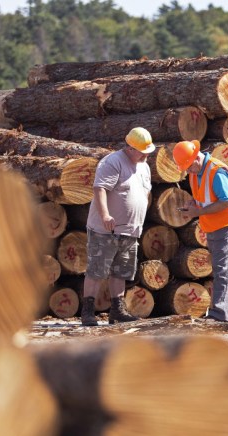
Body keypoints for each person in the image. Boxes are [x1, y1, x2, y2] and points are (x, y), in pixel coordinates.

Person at [81, 127, 155, 326]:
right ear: (130, 148)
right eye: (143, 151)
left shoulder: (144, 166)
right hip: (106, 228)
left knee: (120, 271)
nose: (146, 154)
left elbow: (145, 193)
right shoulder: (112, 162)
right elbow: (100, 189)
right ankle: (88, 311)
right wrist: (105, 214)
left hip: (130, 229)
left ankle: (117, 310)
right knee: (97, 270)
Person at [173, 140, 228, 322]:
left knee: (224, 269)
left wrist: (198, 212)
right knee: (223, 268)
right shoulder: (196, 172)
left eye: (188, 167)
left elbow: (226, 201)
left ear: (196, 158)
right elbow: (204, 196)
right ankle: (227, 314)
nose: (188, 171)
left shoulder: (216, 171)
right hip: (214, 225)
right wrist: (193, 203)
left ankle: (219, 315)